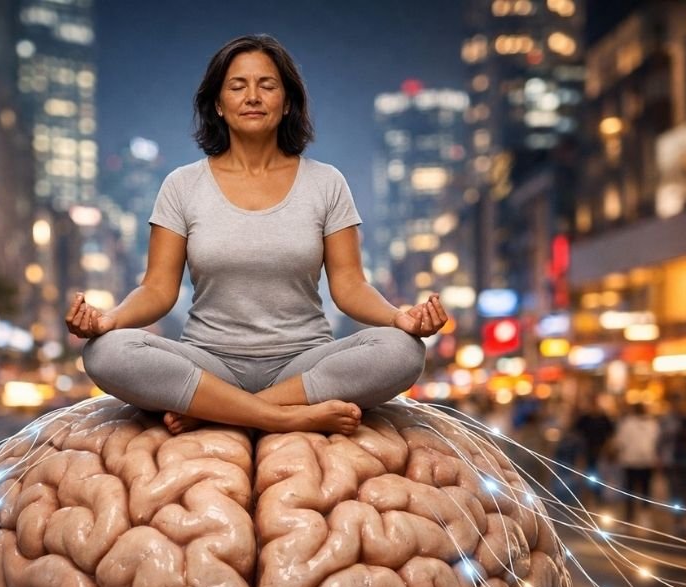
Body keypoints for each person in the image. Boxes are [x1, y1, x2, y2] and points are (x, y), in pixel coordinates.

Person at [71, 35, 445, 436]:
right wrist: (108, 320)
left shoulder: (326, 182)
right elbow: (158, 289)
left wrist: (398, 317)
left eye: (267, 85)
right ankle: (281, 416)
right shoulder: (181, 185)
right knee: (106, 353)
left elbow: (350, 286)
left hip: (304, 361)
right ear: (218, 104)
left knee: (403, 352)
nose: (252, 96)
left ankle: (220, 412)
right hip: (208, 362)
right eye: (237, 86)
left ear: (287, 103)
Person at [658, 395, 686, 536]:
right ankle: (678, 521)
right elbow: (660, 440)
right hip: (672, 461)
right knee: (674, 493)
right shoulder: (667, 421)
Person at [611, 403, 659, 524]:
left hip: (640, 461)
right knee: (639, 490)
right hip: (635, 462)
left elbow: (620, 442)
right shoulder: (633, 424)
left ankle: (637, 516)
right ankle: (635, 516)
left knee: (638, 490)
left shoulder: (649, 424)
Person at [573, 402, 616, 503]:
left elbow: (610, 432)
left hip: (601, 449)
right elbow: (576, 430)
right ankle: (588, 493)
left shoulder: (604, 418)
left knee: (600, 471)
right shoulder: (585, 418)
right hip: (587, 449)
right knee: (589, 471)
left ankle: (598, 494)